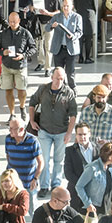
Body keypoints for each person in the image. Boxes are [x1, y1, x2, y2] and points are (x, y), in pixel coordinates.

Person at [29, 67, 77, 199]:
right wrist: (32, 120)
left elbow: (73, 115)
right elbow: (32, 103)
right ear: (52, 77)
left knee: (58, 160)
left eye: (62, 79)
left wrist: (69, 132)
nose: (59, 81)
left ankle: (56, 185)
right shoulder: (43, 89)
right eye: (57, 78)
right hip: (44, 131)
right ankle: (44, 186)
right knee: (43, 160)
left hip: (61, 132)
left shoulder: (69, 92)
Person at [0, 11, 36, 121]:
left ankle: (22, 107)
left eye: (14, 21)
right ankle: (12, 113)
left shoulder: (25, 33)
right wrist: (2, 52)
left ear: (19, 21)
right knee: (8, 90)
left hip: (20, 66)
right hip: (7, 66)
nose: (12, 24)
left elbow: (33, 48)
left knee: (21, 90)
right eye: (10, 22)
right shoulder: (3, 33)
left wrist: (23, 55)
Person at [46, 0, 83, 90]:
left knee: (70, 72)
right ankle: (60, 89)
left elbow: (80, 32)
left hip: (70, 49)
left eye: (67, 6)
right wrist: (51, 26)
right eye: (64, 6)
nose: (65, 8)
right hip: (58, 48)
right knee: (58, 72)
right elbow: (47, 27)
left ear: (72, 7)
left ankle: (72, 89)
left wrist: (73, 36)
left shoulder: (77, 17)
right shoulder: (57, 17)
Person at [76, 142, 112, 216]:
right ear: (110, 157)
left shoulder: (109, 167)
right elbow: (79, 186)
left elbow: (107, 182)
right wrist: (88, 204)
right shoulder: (92, 168)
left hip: (107, 208)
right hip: (94, 209)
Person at [65, 122, 99, 211]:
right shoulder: (70, 151)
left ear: (89, 134)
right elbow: (68, 173)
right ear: (76, 135)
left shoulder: (99, 149)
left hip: (95, 194)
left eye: (84, 134)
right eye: (79, 134)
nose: (82, 137)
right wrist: (82, 185)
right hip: (76, 194)